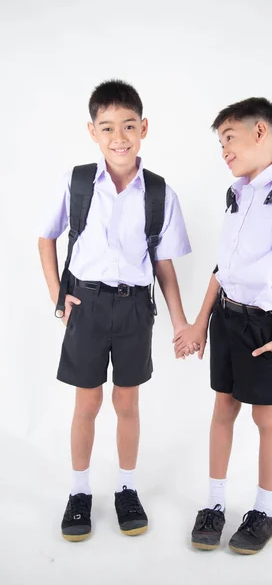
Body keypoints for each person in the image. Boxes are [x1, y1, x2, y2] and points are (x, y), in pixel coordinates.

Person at [39, 79, 192, 542]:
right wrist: (56, 297)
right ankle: (80, 492)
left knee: (127, 400)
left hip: (133, 310)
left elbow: (163, 264)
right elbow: (46, 236)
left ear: (143, 127)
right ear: (92, 131)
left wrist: (180, 320)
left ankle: (126, 488)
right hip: (85, 304)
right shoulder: (78, 181)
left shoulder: (160, 193)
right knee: (87, 400)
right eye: (107, 128)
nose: (119, 137)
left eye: (128, 126)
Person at [174, 97, 272, 555]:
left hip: (264, 327)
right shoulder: (236, 194)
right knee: (224, 408)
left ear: (260, 133)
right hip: (226, 319)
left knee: (264, 416)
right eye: (220, 143)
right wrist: (199, 322)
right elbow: (222, 268)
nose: (224, 152)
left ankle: (264, 511)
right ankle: (214, 505)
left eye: (229, 138)